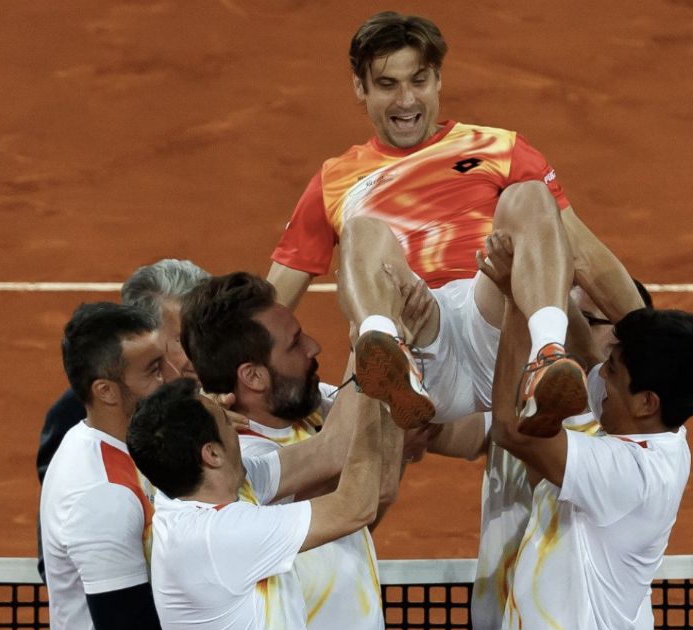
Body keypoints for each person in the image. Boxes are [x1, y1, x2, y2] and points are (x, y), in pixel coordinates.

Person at [266, 11, 645, 435]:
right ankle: (388, 354)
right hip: (420, 334)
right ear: (361, 88)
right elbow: (273, 302)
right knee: (361, 230)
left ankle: (546, 355)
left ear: (439, 79)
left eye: (419, 80)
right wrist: (221, 378)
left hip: (496, 324)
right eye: (387, 85)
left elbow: (583, 254)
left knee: (530, 195)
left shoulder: (499, 147)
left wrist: (652, 338)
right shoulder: (334, 180)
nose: (406, 100)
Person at [479, 236, 693, 630]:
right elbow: (590, 353)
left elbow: (510, 429)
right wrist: (544, 275)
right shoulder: (654, 427)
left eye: (612, 371)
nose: (598, 374)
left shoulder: (629, 472)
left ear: (647, 401)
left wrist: (518, 301)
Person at [179, 271, 393, 630]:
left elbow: (381, 472)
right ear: (253, 377)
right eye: (294, 344)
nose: (313, 346)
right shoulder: (240, 468)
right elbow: (336, 455)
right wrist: (373, 331)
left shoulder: (305, 407)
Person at [126, 375, 399, 630]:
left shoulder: (202, 488)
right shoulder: (217, 535)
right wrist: (371, 388)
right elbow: (354, 507)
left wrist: (364, 346)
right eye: (227, 423)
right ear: (212, 454)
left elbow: (330, 451)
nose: (238, 428)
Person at [35, 258, 209, 581]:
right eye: (185, 339)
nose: (204, 352)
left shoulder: (212, 397)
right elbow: (67, 549)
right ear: (147, 335)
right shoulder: (79, 419)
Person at [39, 303, 173, 630]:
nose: (168, 379)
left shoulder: (128, 445)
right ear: (107, 391)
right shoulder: (99, 492)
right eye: (153, 371)